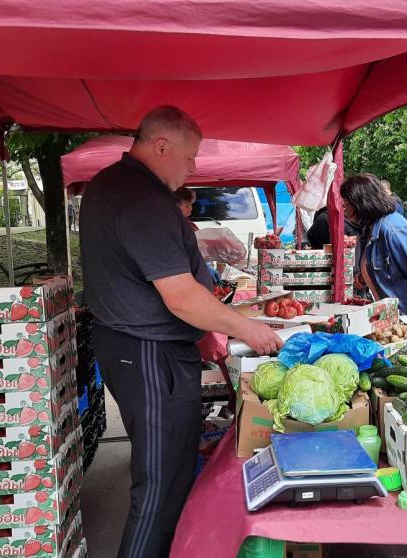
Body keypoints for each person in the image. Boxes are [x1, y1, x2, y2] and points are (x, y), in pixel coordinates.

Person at [79, 105, 282, 558]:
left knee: (167, 476)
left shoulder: (116, 185)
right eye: (189, 158)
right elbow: (181, 297)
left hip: (138, 348)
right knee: (160, 485)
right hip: (149, 355)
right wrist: (247, 327)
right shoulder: (139, 198)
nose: (193, 167)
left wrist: (208, 329)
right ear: (161, 146)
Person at [342, 173, 407, 338]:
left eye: (346, 202)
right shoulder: (370, 228)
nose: (344, 207)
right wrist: (364, 277)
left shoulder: (394, 230)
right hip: (393, 321)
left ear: (360, 202)